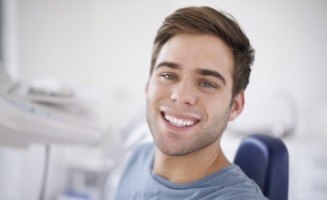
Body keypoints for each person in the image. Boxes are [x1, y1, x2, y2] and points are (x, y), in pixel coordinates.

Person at [114, 6, 267, 200]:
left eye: (206, 83)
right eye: (168, 75)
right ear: (148, 85)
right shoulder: (137, 158)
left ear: (235, 106)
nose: (181, 95)